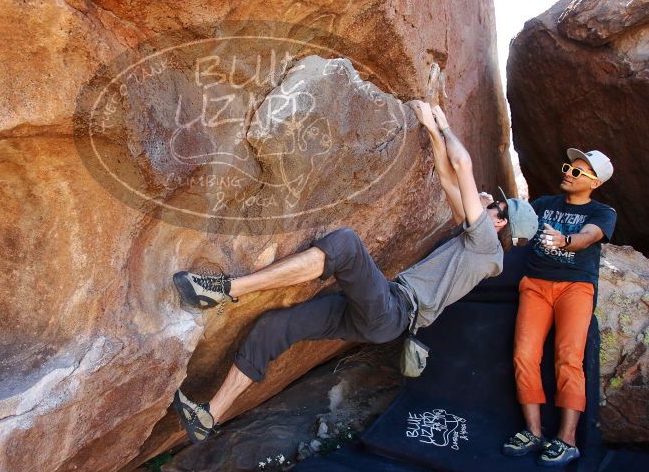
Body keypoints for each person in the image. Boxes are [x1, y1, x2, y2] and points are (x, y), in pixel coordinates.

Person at [170, 102, 539, 445]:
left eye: (500, 207)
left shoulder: (487, 248)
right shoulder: (476, 245)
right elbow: (447, 177)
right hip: (381, 316)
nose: (493, 203)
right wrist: (428, 128)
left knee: (346, 245)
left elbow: (463, 166)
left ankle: (225, 288)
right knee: (274, 327)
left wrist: (443, 124)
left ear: (503, 225)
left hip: (394, 310)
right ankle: (209, 416)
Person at [503, 149, 616, 467]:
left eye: (577, 172)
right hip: (535, 285)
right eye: (568, 167)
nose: (568, 173)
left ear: (593, 182)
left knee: (569, 359)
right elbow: (519, 227)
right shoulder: (543, 205)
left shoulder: (602, 212)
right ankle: (533, 431)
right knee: (524, 356)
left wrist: (564, 241)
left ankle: (567, 440)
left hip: (575, 287)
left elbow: (588, 237)